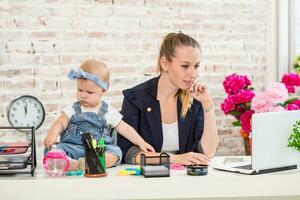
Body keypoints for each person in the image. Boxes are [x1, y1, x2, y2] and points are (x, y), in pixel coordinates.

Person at [117, 32, 219, 165]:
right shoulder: (136, 98)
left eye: (196, 66)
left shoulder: (196, 100)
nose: (193, 74)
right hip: (145, 181)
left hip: (184, 179)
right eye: (185, 66)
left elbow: (208, 152)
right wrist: (176, 159)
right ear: (165, 63)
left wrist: (207, 103)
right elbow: (129, 154)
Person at [44, 59, 154, 168]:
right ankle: (68, 162)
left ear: (103, 91)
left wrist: (141, 142)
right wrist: (52, 135)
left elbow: (125, 128)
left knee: (116, 152)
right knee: (53, 149)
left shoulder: (108, 110)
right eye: (80, 90)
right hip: (73, 147)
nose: (83, 95)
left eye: (90, 92)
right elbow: (61, 122)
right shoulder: (72, 108)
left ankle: (90, 162)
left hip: (99, 150)